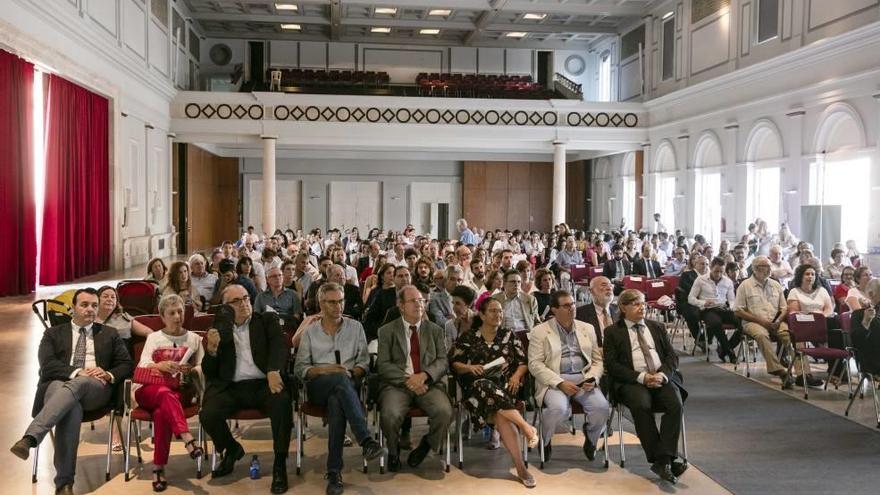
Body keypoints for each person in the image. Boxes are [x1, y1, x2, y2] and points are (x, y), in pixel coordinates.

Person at [10, 288, 133, 495]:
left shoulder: (109, 333)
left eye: (94, 305)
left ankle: (31, 436)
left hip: (96, 389)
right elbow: (48, 365)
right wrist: (77, 372)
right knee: (71, 408)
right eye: (84, 305)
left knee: (82, 383)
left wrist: (107, 373)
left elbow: (126, 364)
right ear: (73, 308)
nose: (90, 310)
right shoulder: (53, 333)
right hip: (58, 386)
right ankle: (64, 485)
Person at [293, 283, 387, 495]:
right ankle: (365, 439)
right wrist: (326, 371)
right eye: (332, 302)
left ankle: (334, 472)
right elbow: (300, 369)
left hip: (349, 383)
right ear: (321, 304)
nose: (338, 306)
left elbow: (364, 362)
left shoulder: (356, 328)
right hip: (318, 385)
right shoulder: (310, 332)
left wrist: (351, 373)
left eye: (341, 301)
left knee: (338, 399)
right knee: (337, 380)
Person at [200, 284, 292, 493]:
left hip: (263, 383)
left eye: (246, 298)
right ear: (225, 307)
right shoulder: (219, 329)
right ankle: (232, 450)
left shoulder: (266, 320)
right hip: (232, 386)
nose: (244, 304)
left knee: (282, 402)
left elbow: (280, 346)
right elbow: (210, 371)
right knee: (208, 414)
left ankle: (279, 464)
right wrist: (212, 350)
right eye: (236, 301)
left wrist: (273, 369)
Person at [450, 297, 538, 487]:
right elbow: (454, 364)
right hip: (475, 391)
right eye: (492, 311)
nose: (498, 314)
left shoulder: (509, 335)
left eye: (500, 311)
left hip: (505, 387)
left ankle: (521, 466)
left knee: (500, 415)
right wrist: (469, 367)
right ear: (481, 314)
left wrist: (515, 377)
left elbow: (523, 363)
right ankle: (525, 428)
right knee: (482, 383)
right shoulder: (469, 337)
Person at [603, 289, 688, 484]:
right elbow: (612, 365)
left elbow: (671, 357)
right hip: (632, 380)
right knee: (641, 405)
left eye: (643, 303)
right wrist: (642, 377)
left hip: (660, 376)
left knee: (675, 404)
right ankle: (664, 461)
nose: (642, 307)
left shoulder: (656, 326)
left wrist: (662, 375)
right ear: (623, 307)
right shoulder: (612, 332)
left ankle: (663, 461)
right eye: (635, 304)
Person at [376, 285, 453, 472]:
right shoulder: (386, 331)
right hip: (397, 385)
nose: (419, 304)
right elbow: (383, 365)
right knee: (390, 414)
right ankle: (393, 452)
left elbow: (443, 361)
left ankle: (426, 444)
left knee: (444, 411)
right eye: (413, 301)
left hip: (428, 384)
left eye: (421, 300)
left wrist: (424, 376)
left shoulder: (435, 330)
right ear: (401, 306)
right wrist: (409, 380)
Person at [132, 295, 205, 492]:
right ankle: (187, 437)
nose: (177, 316)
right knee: (164, 394)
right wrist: (160, 365)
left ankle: (158, 468)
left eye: (180, 312)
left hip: (177, 391)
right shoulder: (154, 338)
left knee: (161, 412)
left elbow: (202, 366)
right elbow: (143, 365)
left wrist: (192, 370)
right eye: (171, 313)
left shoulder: (194, 339)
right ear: (162, 317)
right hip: (149, 390)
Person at [529, 291, 609, 464]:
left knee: (602, 408)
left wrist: (592, 378)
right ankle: (546, 439)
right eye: (566, 306)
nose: (572, 308)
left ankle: (591, 438)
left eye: (573, 304)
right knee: (559, 409)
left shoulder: (586, 328)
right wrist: (560, 383)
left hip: (583, 378)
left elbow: (597, 360)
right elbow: (535, 365)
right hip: (554, 380)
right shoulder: (540, 331)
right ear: (554, 310)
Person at [734, 256, 818, 389]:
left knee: (793, 336)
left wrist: (778, 320)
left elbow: (784, 307)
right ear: (755, 269)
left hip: (775, 321)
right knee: (762, 335)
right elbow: (738, 311)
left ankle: (804, 374)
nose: (768, 269)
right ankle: (780, 371)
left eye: (769, 266)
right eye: (764, 266)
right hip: (753, 322)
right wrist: (761, 321)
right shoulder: (745, 286)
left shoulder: (775, 284)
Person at [688, 257, 742, 364]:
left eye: (721, 271)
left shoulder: (728, 282)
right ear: (711, 268)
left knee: (743, 323)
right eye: (716, 271)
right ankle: (730, 353)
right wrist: (703, 302)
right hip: (708, 310)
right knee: (716, 323)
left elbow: (732, 300)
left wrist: (731, 307)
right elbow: (691, 298)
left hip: (723, 309)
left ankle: (725, 349)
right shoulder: (700, 280)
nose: (718, 274)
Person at [676, 255, 708, 351]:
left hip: (706, 302)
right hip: (689, 302)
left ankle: (708, 338)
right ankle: (700, 339)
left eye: (707, 264)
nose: (705, 266)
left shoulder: (709, 276)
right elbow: (690, 291)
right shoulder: (687, 275)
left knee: (716, 313)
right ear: (696, 264)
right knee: (692, 313)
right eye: (702, 264)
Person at [576, 276, 619, 348]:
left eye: (610, 285)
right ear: (591, 291)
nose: (609, 288)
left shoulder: (619, 310)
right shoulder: (580, 314)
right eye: (604, 285)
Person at [492, 270, 540, 334]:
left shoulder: (530, 300)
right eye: (513, 282)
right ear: (504, 283)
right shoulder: (495, 299)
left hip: (526, 335)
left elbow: (537, 322)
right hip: (503, 336)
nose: (516, 284)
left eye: (519, 282)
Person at [851, 279, 880, 376]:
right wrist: (866, 322)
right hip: (871, 359)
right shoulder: (859, 314)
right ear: (871, 294)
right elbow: (856, 341)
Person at [444, 285, 476, 353]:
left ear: (468, 305)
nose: (454, 308)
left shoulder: (480, 321)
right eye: (453, 303)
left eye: (458, 304)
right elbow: (448, 352)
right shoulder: (449, 325)